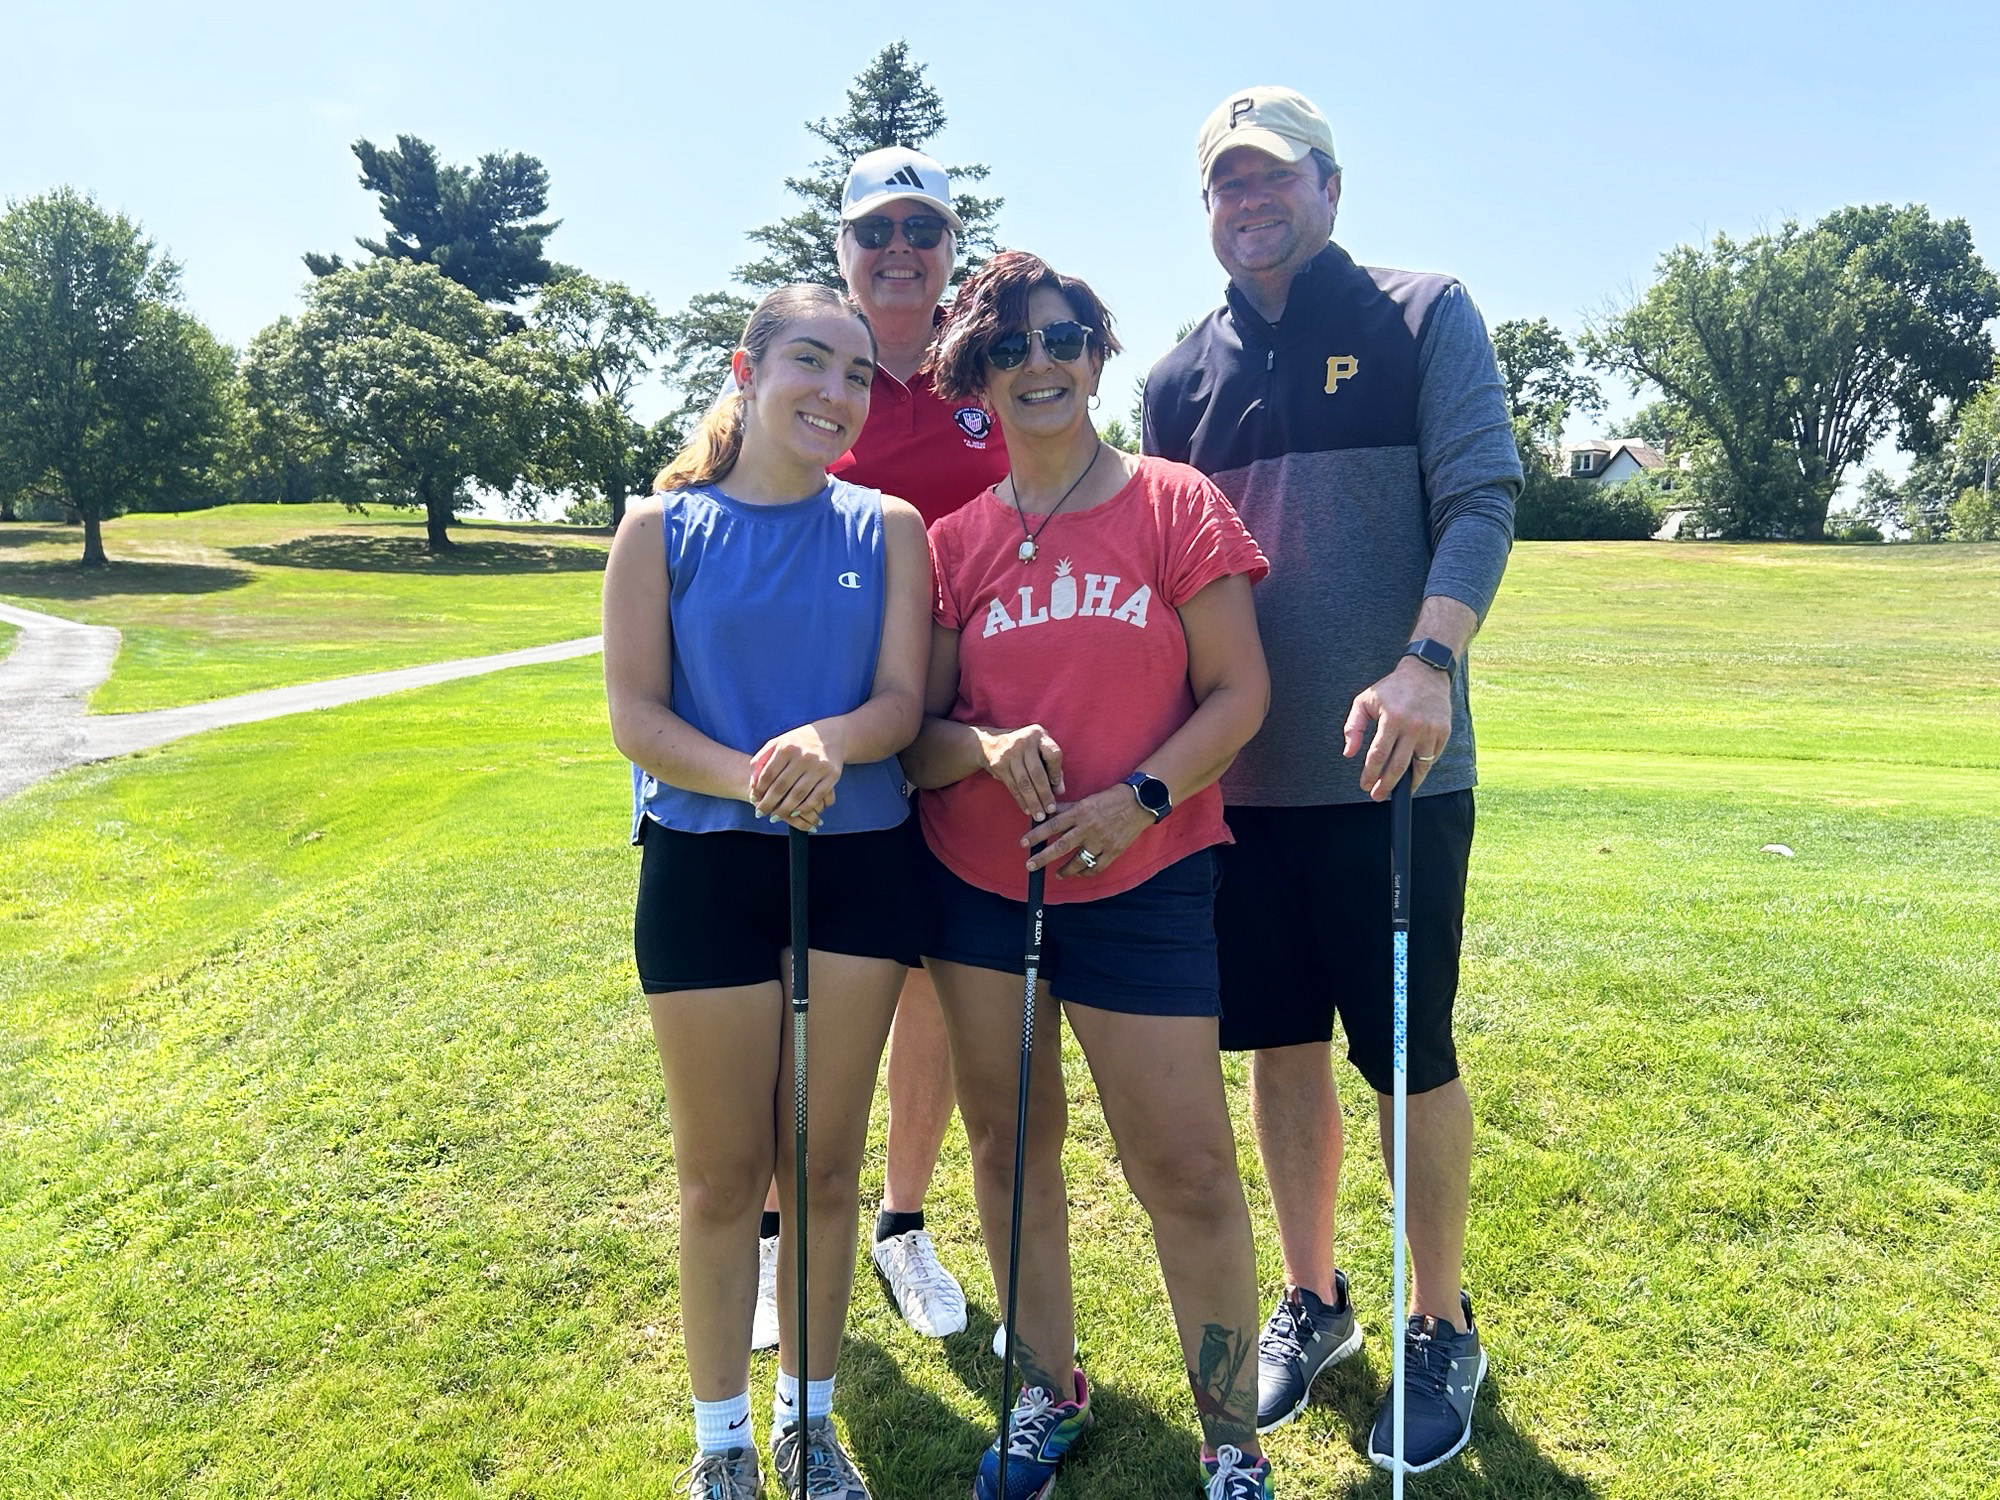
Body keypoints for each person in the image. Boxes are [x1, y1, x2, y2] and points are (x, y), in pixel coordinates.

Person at [1142, 86, 1521, 1475]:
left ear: (1330, 186)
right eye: (1225, 187)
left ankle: (1439, 1322)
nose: (1249, 203)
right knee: (1281, 1045)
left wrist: (1428, 660)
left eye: (1273, 179)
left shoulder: (1425, 314)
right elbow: (1165, 574)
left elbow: (1481, 497)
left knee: (1406, 1053)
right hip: (1242, 785)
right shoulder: (1179, 378)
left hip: (1395, 772)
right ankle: (1318, 1300)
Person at [904, 251, 1280, 1500]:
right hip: (977, 890)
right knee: (1009, 1149)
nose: (1038, 364)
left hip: (1147, 880)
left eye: (1060, 340)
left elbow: (1239, 692)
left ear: (1096, 353)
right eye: (1006, 350)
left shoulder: (1173, 506)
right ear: (978, 380)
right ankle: (1043, 1393)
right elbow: (920, 732)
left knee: (1183, 1165)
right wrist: (986, 746)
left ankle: (1230, 1441)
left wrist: (1140, 800)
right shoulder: (953, 543)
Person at [603, 283, 930, 1499]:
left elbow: (901, 705)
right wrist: (756, 780)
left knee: (824, 1165)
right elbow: (636, 718)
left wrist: (825, 748)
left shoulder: (886, 525)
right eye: (813, 361)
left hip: (854, 864)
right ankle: (721, 1444)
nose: (837, 392)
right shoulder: (658, 527)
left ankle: (810, 1420)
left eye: (857, 375)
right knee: (718, 1175)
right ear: (749, 369)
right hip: (704, 864)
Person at [745, 144, 1008, 1351]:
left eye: (922, 230)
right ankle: (764, 1238)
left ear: (949, 248)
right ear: (841, 250)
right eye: (874, 232)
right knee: (784, 983)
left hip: (955, 728)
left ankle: (901, 1224)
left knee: (920, 991)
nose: (899, 249)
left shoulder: (995, 370)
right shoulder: (817, 372)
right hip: (818, 728)